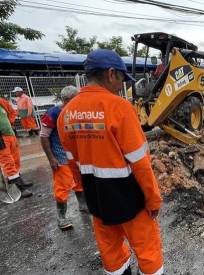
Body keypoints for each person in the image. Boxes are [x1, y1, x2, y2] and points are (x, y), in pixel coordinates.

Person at [57, 49, 163, 275]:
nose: (122, 85)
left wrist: (87, 193)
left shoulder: (66, 114)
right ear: (111, 73)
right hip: (130, 200)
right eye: (123, 78)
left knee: (111, 254)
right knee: (148, 252)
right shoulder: (119, 108)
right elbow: (140, 163)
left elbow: (73, 164)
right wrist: (153, 199)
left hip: (97, 200)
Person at [40, 86, 88, 230]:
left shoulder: (77, 112)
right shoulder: (53, 114)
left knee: (79, 182)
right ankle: (61, 217)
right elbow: (44, 137)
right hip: (61, 158)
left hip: (76, 158)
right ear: (67, 100)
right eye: (76, 99)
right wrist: (51, 158)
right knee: (62, 188)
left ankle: (83, 205)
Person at [0, 102, 32, 198]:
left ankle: (17, 180)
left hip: (10, 135)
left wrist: (10, 122)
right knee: (8, 162)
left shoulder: (1, 102)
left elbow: (12, 112)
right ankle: (20, 188)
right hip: (1, 138)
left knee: (15, 160)